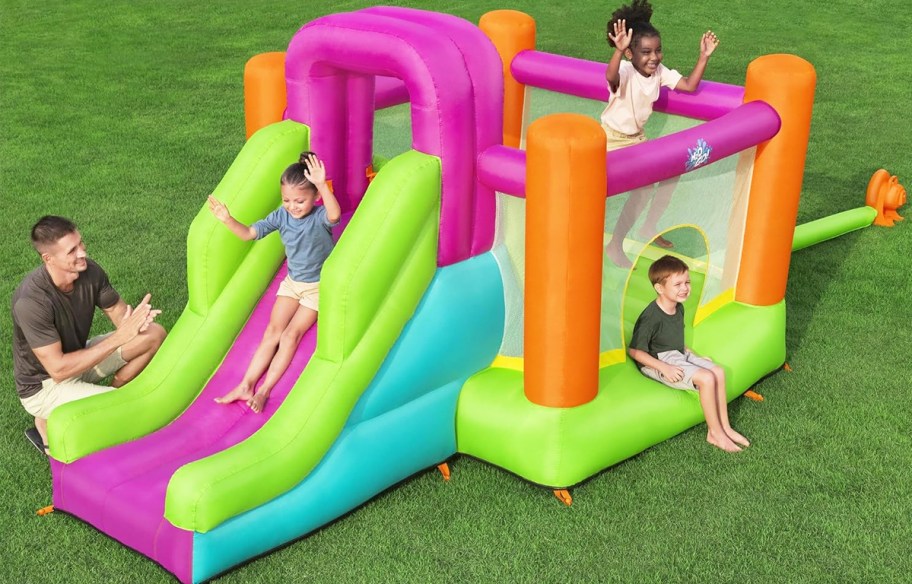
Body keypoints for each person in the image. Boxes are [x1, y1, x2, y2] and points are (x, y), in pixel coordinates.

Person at [12, 216, 166, 453]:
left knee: (154, 334)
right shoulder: (32, 302)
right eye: (72, 251)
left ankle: (112, 392)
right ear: (48, 259)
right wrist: (120, 337)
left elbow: (120, 315)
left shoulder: (90, 271)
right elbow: (58, 370)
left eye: (80, 243)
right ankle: (48, 418)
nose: (82, 252)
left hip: (79, 357)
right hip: (45, 386)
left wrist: (137, 323)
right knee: (122, 407)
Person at [209, 152, 340, 413]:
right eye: (287, 200)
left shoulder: (319, 216)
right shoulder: (281, 216)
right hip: (292, 284)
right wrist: (227, 219)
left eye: (300, 200)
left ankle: (265, 390)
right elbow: (248, 234)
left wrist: (323, 184)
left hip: (316, 288)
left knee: (291, 335)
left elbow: (335, 216)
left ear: (314, 197)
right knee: (272, 332)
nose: (293, 206)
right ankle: (246, 384)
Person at [601, 0, 719, 268]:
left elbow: (688, 86)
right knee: (628, 189)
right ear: (632, 54)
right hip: (610, 141)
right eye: (646, 52)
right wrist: (618, 52)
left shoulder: (658, 72)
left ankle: (647, 228)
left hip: (636, 140)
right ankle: (615, 244)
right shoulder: (625, 71)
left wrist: (704, 56)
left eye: (657, 51)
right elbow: (610, 77)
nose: (654, 57)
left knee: (672, 169)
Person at [627, 255, 749, 453]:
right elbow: (634, 351)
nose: (685, 288)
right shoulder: (650, 317)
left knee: (717, 371)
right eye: (677, 284)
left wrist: (693, 356)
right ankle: (714, 434)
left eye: (687, 282)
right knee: (707, 379)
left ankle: (725, 427)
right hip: (657, 361)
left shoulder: (678, 307)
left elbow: (673, 338)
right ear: (660, 288)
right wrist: (664, 368)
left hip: (678, 352)